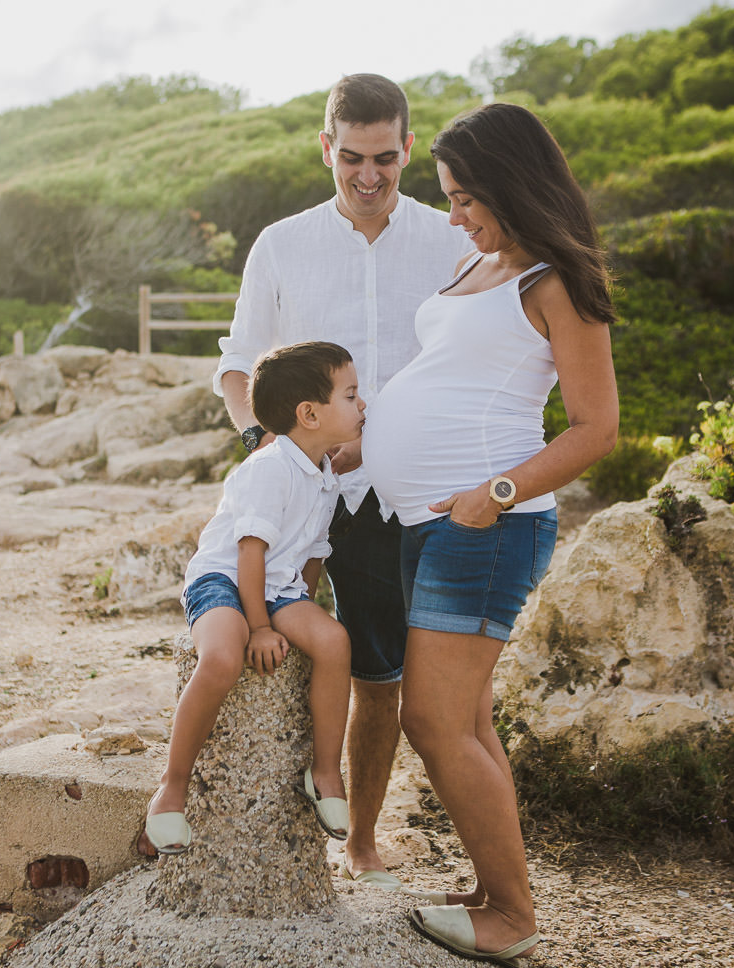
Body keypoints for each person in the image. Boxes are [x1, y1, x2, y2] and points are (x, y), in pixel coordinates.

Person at [363, 102, 618, 965]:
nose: (456, 215)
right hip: (424, 524)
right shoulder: (483, 266)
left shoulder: (553, 280)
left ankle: (511, 916)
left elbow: (596, 428)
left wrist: (494, 494)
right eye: (449, 197)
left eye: (468, 197)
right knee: (467, 719)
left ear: (513, 185)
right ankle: (490, 887)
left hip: (486, 527)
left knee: (432, 722)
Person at [214, 73, 470, 886]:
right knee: (258, 645)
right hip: (299, 498)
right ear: (327, 147)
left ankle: (359, 840)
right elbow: (236, 368)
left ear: (406, 148)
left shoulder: (451, 240)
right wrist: (271, 445)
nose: (368, 176)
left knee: (382, 674)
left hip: (410, 496)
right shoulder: (281, 244)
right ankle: (247, 837)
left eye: (386, 159)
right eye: (351, 157)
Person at [140, 341, 364, 856]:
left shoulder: (326, 477)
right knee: (223, 653)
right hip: (224, 578)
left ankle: (325, 772)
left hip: (279, 586)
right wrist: (261, 627)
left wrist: (299, 616)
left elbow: (311, 557)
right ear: (309, 414)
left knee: (333, 642)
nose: (363, 405)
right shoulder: (270, 467)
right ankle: (172, 788)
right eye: (350, 395)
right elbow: (249, 555)